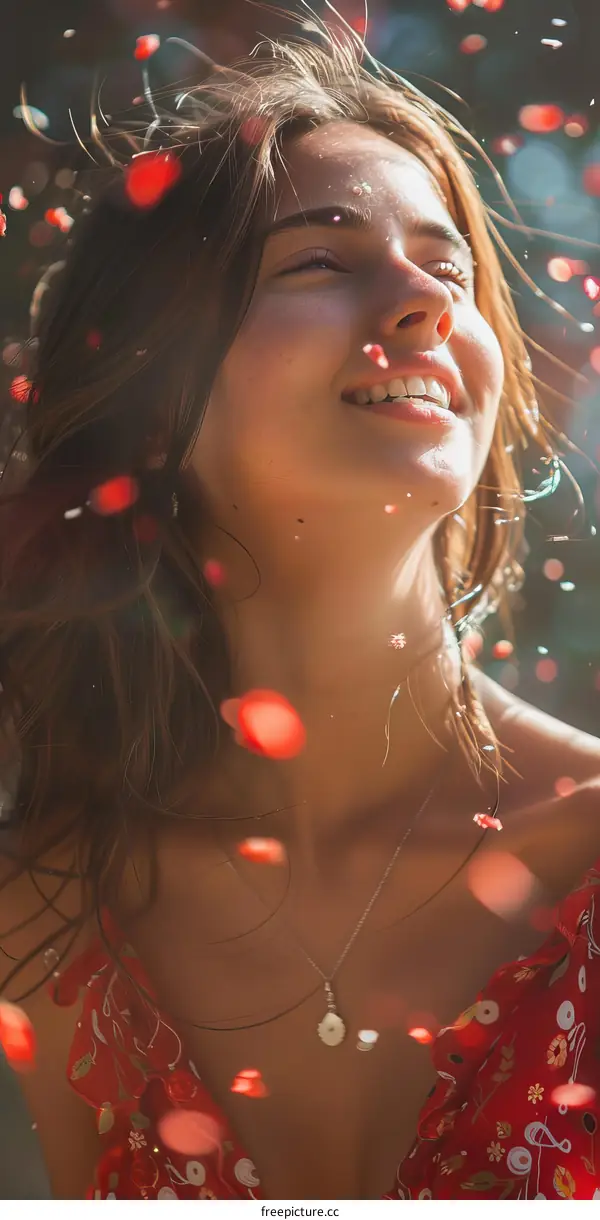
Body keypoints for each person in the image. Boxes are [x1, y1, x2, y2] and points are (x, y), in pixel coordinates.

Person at [0, 19, 600, 1203]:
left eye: (451, 267)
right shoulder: (49, 914)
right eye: (321, 262)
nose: (429, 303)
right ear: (157, 401)